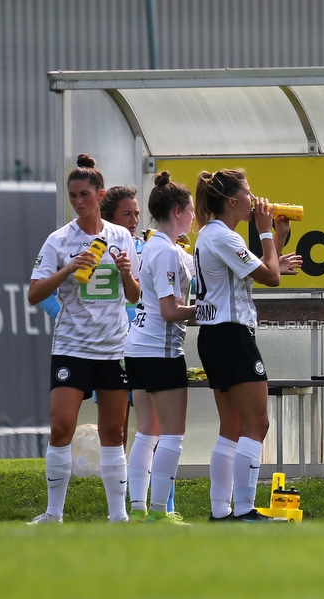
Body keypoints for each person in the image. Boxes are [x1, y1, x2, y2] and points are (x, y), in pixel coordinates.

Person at [27, 154, 140, 524]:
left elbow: (136, 296)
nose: (78, 202)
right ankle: (52, 513)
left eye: (85, 195)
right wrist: (67, 269)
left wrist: (125, 272)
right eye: (73, 195)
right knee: (61, 426)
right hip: (72, 347)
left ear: (99, 195)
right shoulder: (59, 239)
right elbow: (33, 293)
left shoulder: (121, 236)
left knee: (114, 430)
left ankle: (118, 515)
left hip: (113, 348)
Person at [194, 168, 301, 522]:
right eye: (249, 193)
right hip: (231, 335)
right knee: (258, 424)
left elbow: (259, 273)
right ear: (232, 201)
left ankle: (221, 511)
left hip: (215, 335)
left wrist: (276, 245)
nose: (255, 200)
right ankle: (244, 509)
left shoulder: (213, 235)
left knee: (233, 426)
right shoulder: (224, 237)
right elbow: (271, 278)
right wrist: (266, 232)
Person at [123, 172, 196, 523]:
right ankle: (158, 513)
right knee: (172, 434)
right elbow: (168, 311)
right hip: (159, 350)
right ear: (178, 210)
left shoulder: (154, 244)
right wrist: (205, 311)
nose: (195, 217)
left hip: (136, 348)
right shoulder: (165, 250)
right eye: (192, 211)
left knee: (146, 432)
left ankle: (137, 511)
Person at [101, 184, 174, 514]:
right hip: (116, 348)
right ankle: (125, 506)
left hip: (146, 348)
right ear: (111, 219)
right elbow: (45, 296)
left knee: (154, 430)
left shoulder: (150, 247)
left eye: (136, 214)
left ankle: (164, 505)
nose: (133, 220)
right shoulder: (98, 247)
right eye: (125, 214)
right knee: (120, 431)